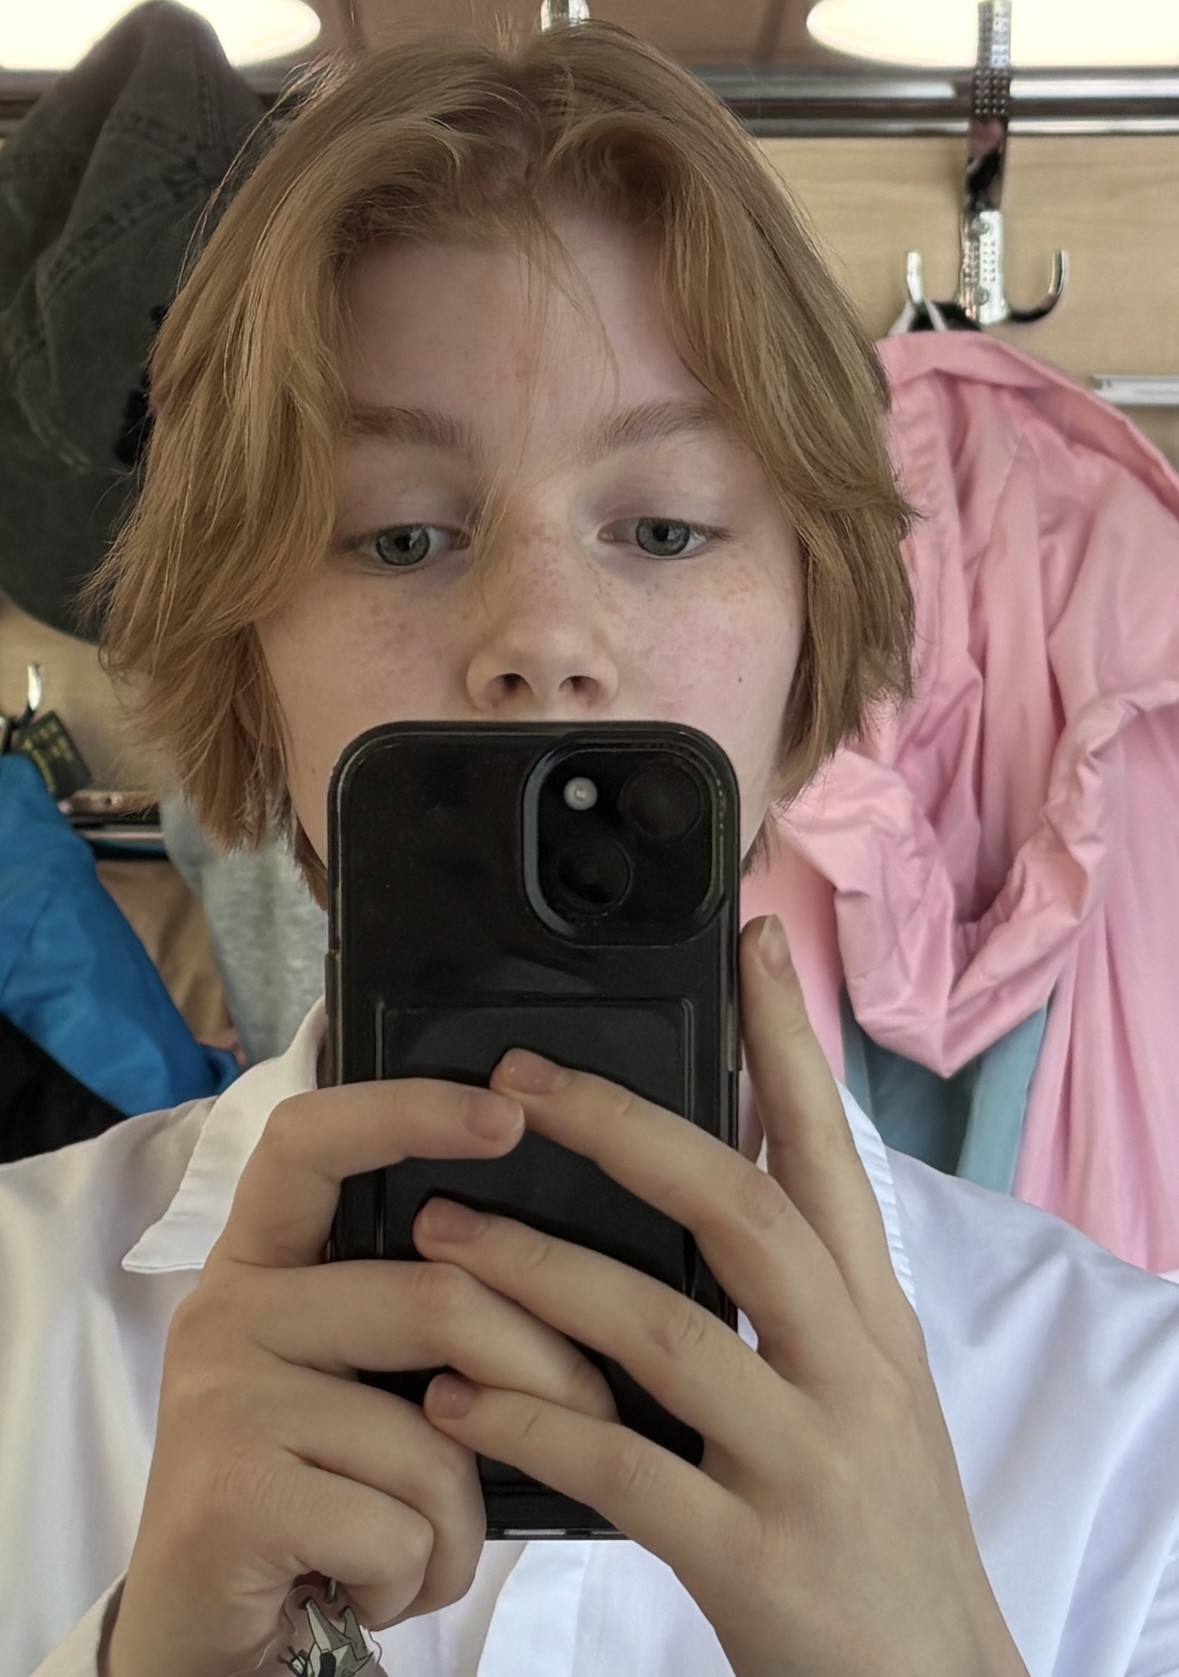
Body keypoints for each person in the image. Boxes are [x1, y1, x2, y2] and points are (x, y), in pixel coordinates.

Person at [5, 20, 1179, 1677]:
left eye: (666, 527)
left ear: (811, 633)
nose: (540, 639)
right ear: (250, 661)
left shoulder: (1133, 1424)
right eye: (399, 534)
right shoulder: (17, 1314)